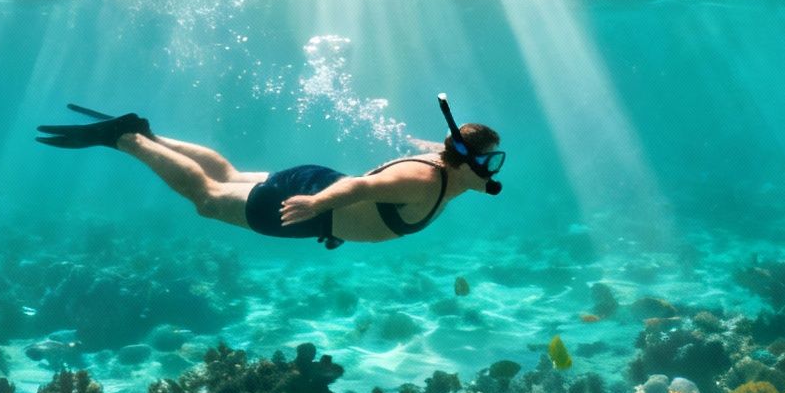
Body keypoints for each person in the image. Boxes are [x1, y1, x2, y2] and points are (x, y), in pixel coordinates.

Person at [35, 96, 503, 249]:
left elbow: (370, 195)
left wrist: (334, 211)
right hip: (315, 204)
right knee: (210, 199)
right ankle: (126, 139)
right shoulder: (425, 181)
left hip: (320, 186)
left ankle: (148, 133)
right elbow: (364, 185)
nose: (495, 171)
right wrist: (318, 206)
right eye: (492, 161)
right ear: (472, 162)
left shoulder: (443, 167)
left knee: (230, 173)